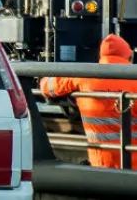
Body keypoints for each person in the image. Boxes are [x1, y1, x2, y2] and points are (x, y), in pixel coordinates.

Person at [40, 34, 137, 169]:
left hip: (101, 162)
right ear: (128, 56)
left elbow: (47, 86)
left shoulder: (85, 76)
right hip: (133, 163)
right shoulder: (134, 81)